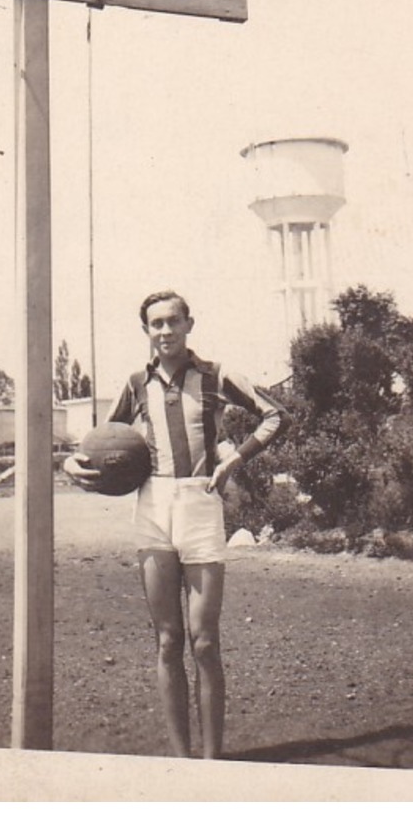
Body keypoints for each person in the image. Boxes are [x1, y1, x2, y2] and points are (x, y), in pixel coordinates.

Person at [64, 289, 289, 760]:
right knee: (168, 640)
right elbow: (98, 447)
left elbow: (275, 416)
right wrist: (71, 466)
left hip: (199, 502)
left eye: (172, 322)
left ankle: (211, 761)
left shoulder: (216, 376)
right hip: (152, 507)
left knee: (204, 641)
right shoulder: (133, 384)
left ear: (190, 324)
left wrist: (233, 462)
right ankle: (181, 762)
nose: (164, 331)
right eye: (155, 324)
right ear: (145, 330)